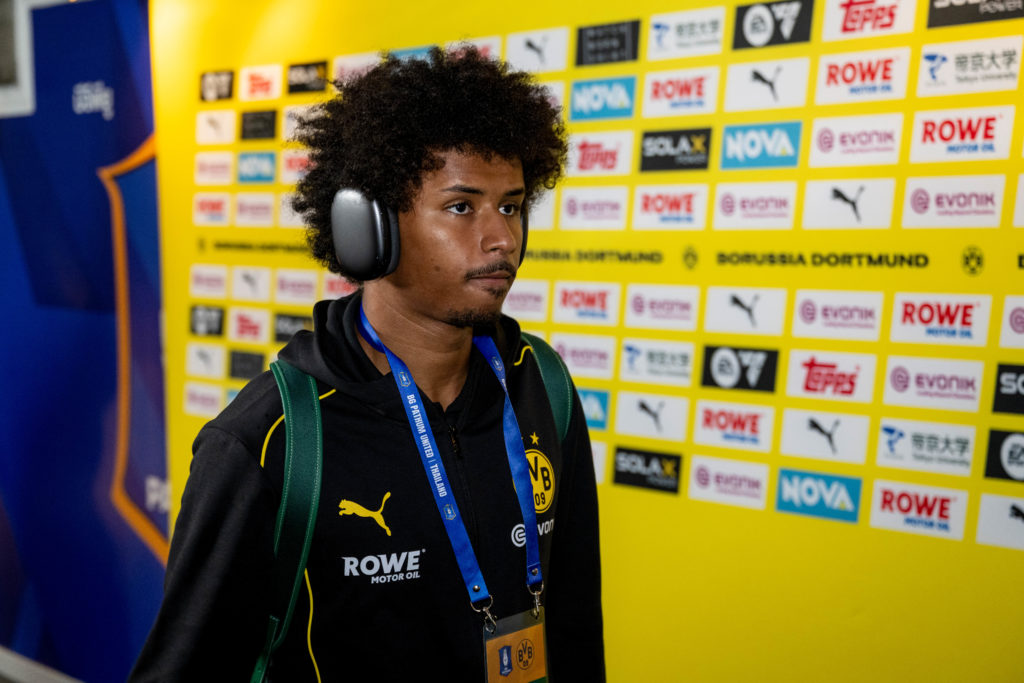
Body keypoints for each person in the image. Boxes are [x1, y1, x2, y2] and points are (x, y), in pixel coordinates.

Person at [130, 46, 604, 681]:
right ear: (369, 227)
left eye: (512, 205)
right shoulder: (270, 441)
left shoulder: (540, 383)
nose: (502, 239)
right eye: (462, 207)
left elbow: (574, 624)